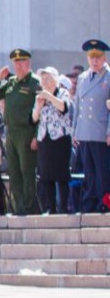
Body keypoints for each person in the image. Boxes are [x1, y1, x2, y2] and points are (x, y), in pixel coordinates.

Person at [0, 49, 40, 215]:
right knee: (14, 172)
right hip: (11, 133)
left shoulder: (34, 83)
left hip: (27, 132)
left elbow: (42, 111)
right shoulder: (10, 82)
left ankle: (29, 207)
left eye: (21, 62)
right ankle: (18, 208)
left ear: (28, 63)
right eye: (15, 63)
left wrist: (36, 135)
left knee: (27, 172)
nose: (18, 65)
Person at [72, 39, 110, 213]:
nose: (95, 61)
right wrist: (75, 131)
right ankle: (89, 203)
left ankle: (104, 201)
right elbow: (77, 105)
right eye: (92, 57)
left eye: (98, 57)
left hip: (101, 131)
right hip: (85, 131)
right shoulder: (82, 78)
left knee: (102, 171)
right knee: (89, 171)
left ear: (104, 58)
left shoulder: (108, 77)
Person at [32, 67, 73, 214]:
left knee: (61, 175)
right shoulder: (39, 96)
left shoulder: (63, 93)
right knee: (46, 175)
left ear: (55, 80)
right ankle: (51, 208)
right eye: (42, 79)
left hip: (61, 139)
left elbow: (64, 107)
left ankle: (64, 207)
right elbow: (34, 118)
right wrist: (38, 105)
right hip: (45, 138)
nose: (44, 82)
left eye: (47, 78)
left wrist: (49, 96)